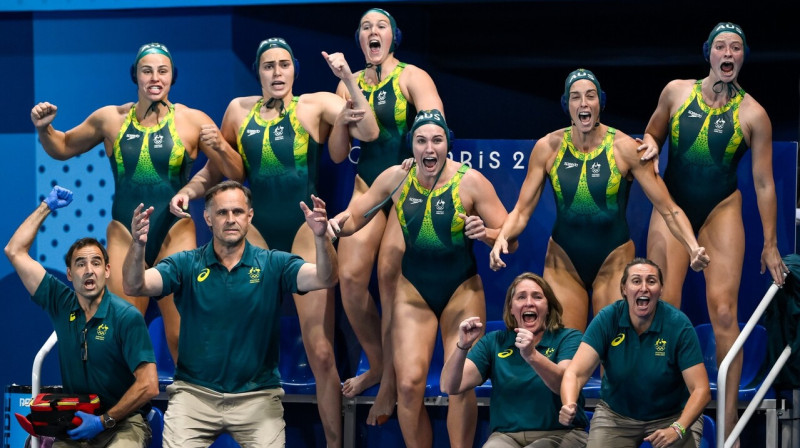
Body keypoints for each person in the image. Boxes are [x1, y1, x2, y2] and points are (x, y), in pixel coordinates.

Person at [168, 37, 377, 448]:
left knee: (319, 351)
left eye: (284, 65)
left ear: (294, 70)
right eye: (268, 66)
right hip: (256, 233)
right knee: (236, 341)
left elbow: (367, 129)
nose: (277, 73)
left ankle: (335, 445)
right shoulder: (237, 110)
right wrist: (190, 192)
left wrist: (348, 80)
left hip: (302, 233)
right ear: (258, 71)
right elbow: (220, 169)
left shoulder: (315, 105)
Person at [30, 42, 244, 363]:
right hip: (125, 234)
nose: (155, 78)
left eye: (163, 71)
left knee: (180, 333)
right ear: (136, 76)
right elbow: (62, 146)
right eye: (147, 71)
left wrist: (223, 150)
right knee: (128, 332)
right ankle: (133, 412)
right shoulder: (110, 119)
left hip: (175, 232)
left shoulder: (192, 120)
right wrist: (44, 128)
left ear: (172, 76)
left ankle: (191, 408)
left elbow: (235, 173)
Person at [636, 22, 787, 443]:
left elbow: (763, 183)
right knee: (661, 306)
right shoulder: (676, 92)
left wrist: (772, 244)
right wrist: (649, 143)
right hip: (673, 209)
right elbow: (653, 131)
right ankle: (662, 412)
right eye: (720, 46)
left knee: (723, 313)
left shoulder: (754, 114)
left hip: (721, 209)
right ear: (709, 52)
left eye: (735, 48)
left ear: (742, 57)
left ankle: (729, 428)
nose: (727, 53)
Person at [328, 110, 509, 448]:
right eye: (422, 140)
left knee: (460, 383)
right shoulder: (396, 179)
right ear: (412, 145)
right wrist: (332, 226)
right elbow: (355, 218)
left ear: (447, 145)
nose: (430, 148)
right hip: (414, 291)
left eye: (437, 140)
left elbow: (509, 235)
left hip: (462, 289)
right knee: (409, 385)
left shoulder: (470, 181)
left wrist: (486, 234)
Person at [490, 69, 710, 331]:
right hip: (563, 264)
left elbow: (669, 208)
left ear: (600, 103)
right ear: (567, 105)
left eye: (590, 96)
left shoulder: (625, 148)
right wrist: (503, 235)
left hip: (613, 261)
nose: (583, 103)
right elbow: (521, 211)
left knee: (613, 355)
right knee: (566, 354)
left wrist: (692, 246)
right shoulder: (547, 148)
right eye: (576, 97)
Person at [123, 180, 337, 448]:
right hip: (194, 396)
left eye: (237, 212)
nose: (230, 219)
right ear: (208, 218)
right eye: (222, 213)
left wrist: (321, 237)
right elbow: (135, 285)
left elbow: (325, 278)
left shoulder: (273, 263)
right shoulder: (186, 264)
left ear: (249, 216)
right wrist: (138, 245)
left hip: (257, 398)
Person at [331, 7, 445, 425]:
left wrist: (421, 160)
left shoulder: (413, 76)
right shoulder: (349, 84)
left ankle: (393, 383)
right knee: (350, 279)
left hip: (408, 187)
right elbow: (340, 154)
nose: (372, 32)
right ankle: (377, 364)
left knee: (389, 277)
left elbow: (437, 123)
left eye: (380, 26)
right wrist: (342, 122)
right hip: (367, 187)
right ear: (359, 40)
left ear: (393, 36)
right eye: (365, 27)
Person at [4, 186, 159, 447]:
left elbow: (149, 385)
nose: (89, 271)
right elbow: (14, 250)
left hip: (122, 422)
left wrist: (103, 421)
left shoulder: (125, 317)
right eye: (80, 264)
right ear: (69, 273)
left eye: (96, 263)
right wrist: (47, 206)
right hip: (74, 420)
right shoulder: (60, 302)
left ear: (107, 270)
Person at [559, 258, 711, 448]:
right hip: (615, 417)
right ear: (624, 288)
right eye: (636, 281)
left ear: (661, 289)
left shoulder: (678, 324)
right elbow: (575, 373)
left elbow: (701, 390)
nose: (644, 288)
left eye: (652, 281)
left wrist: (677, 428)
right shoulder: (607, 319)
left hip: (672, 417)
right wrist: (569, 403)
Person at [441, 272, 589, 448]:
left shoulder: (568, 338)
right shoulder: (495, 341)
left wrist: (532, 356)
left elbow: (564, 384)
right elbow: (449, 386)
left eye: (537, 297)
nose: (529, 302)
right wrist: (462, 346)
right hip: (506, 437)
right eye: (521, 297)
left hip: (560, 434)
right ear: (511, 308)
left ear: (548, 306)